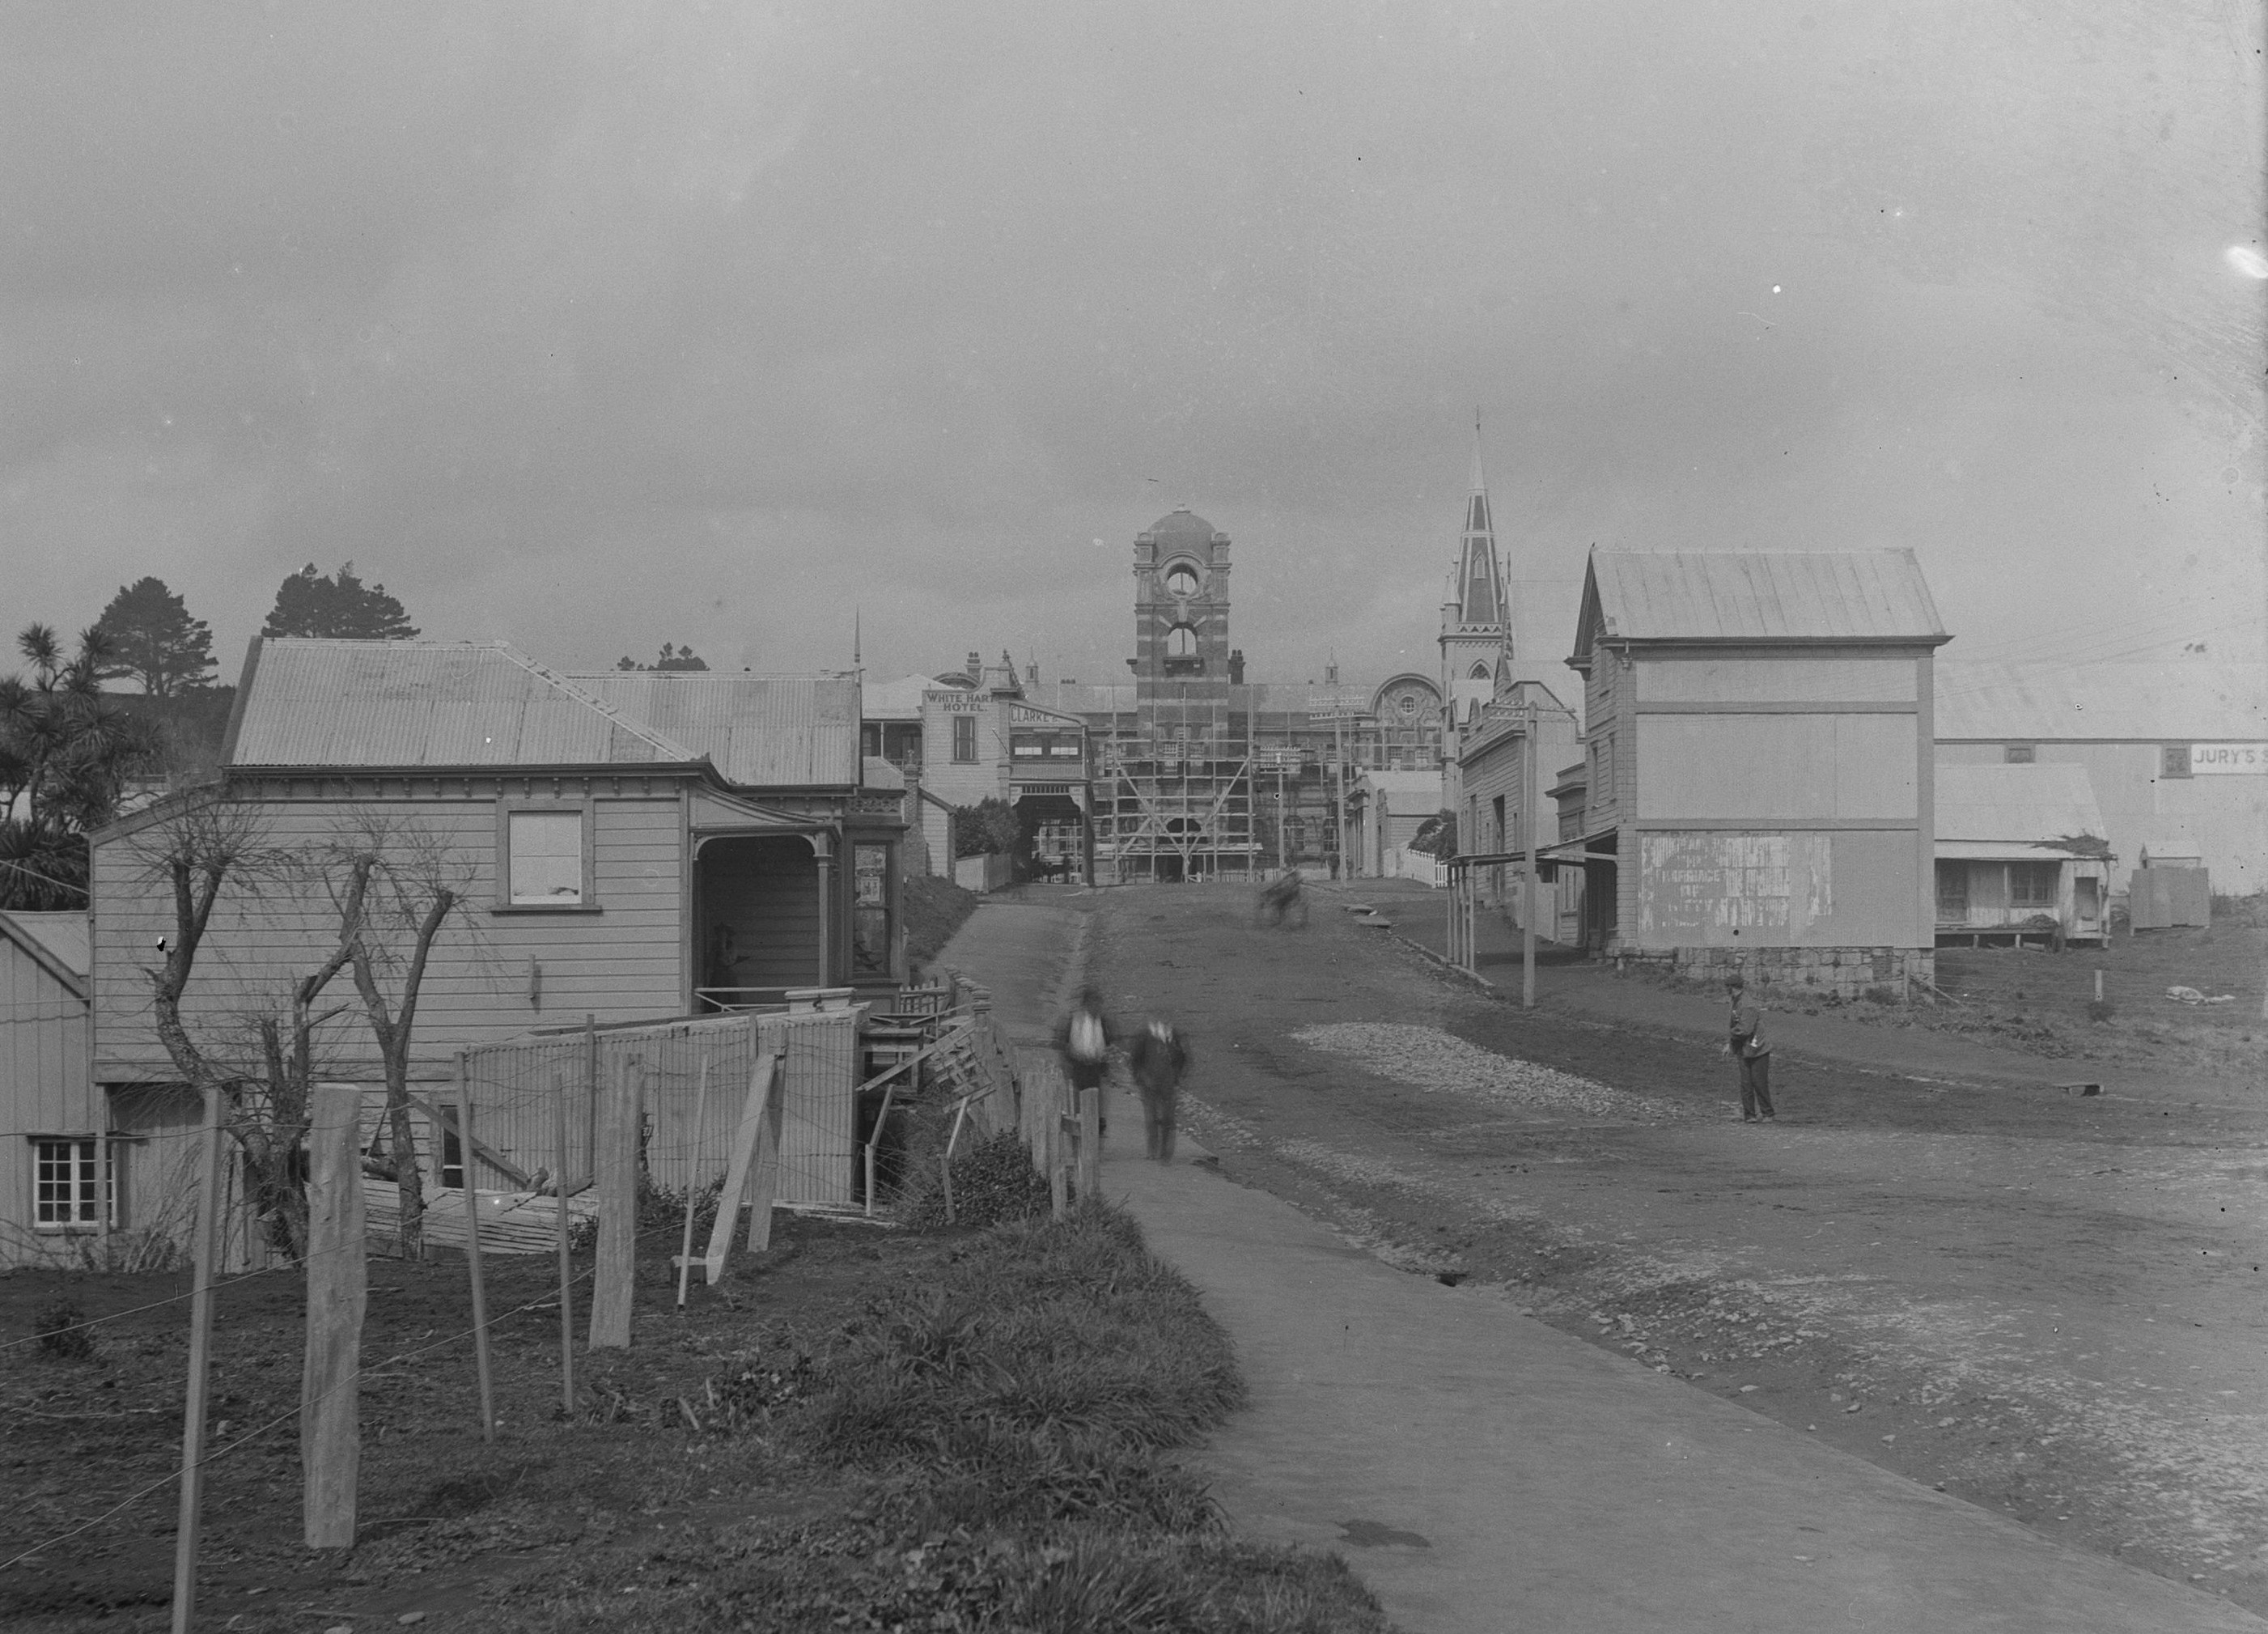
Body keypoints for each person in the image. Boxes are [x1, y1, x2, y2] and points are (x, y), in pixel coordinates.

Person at [1127, 1018, 1191, 1162]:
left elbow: (1183, 1059)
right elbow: (1135, 1060)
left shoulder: (1174, 1037)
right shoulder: (1145, 1036)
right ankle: (1153, 1151)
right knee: (1152, 1117)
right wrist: (1140, 1078)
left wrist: (1177, 1077)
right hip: (1149, 1083)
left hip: (1167, 1083)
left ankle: (1164, 1153)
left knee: (1167, 1118)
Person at [1055, 985, 1114, 1138]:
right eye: (1094, 1003)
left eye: (1099, 1003)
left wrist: (1106, 1066)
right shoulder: (1075, 1021)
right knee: (1078, 1103)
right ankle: (1079, 1135)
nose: (1097, 1007)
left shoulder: (1103, 1022)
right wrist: (1067, 1063)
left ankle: (1095, 1135)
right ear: (1087, 1004)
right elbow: (1063, 1043)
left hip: (1096, 1067)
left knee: (1096, 1102)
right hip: (1078, 1066)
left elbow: (1109, 1043)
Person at [1723, 974, 1775, 1122]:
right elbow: (1734, 1024)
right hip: (1743, 1048)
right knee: (1746, 1083)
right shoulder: (1735, 1001)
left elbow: (1744, 1029)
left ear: (1731, 987)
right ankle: (1750, 1115)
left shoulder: (1747, 1004)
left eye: (1726, 987)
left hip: (1757, 1048)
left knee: (1759, 1082)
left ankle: (1768, 1114)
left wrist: (1731, 1037)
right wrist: (1730, 1044)